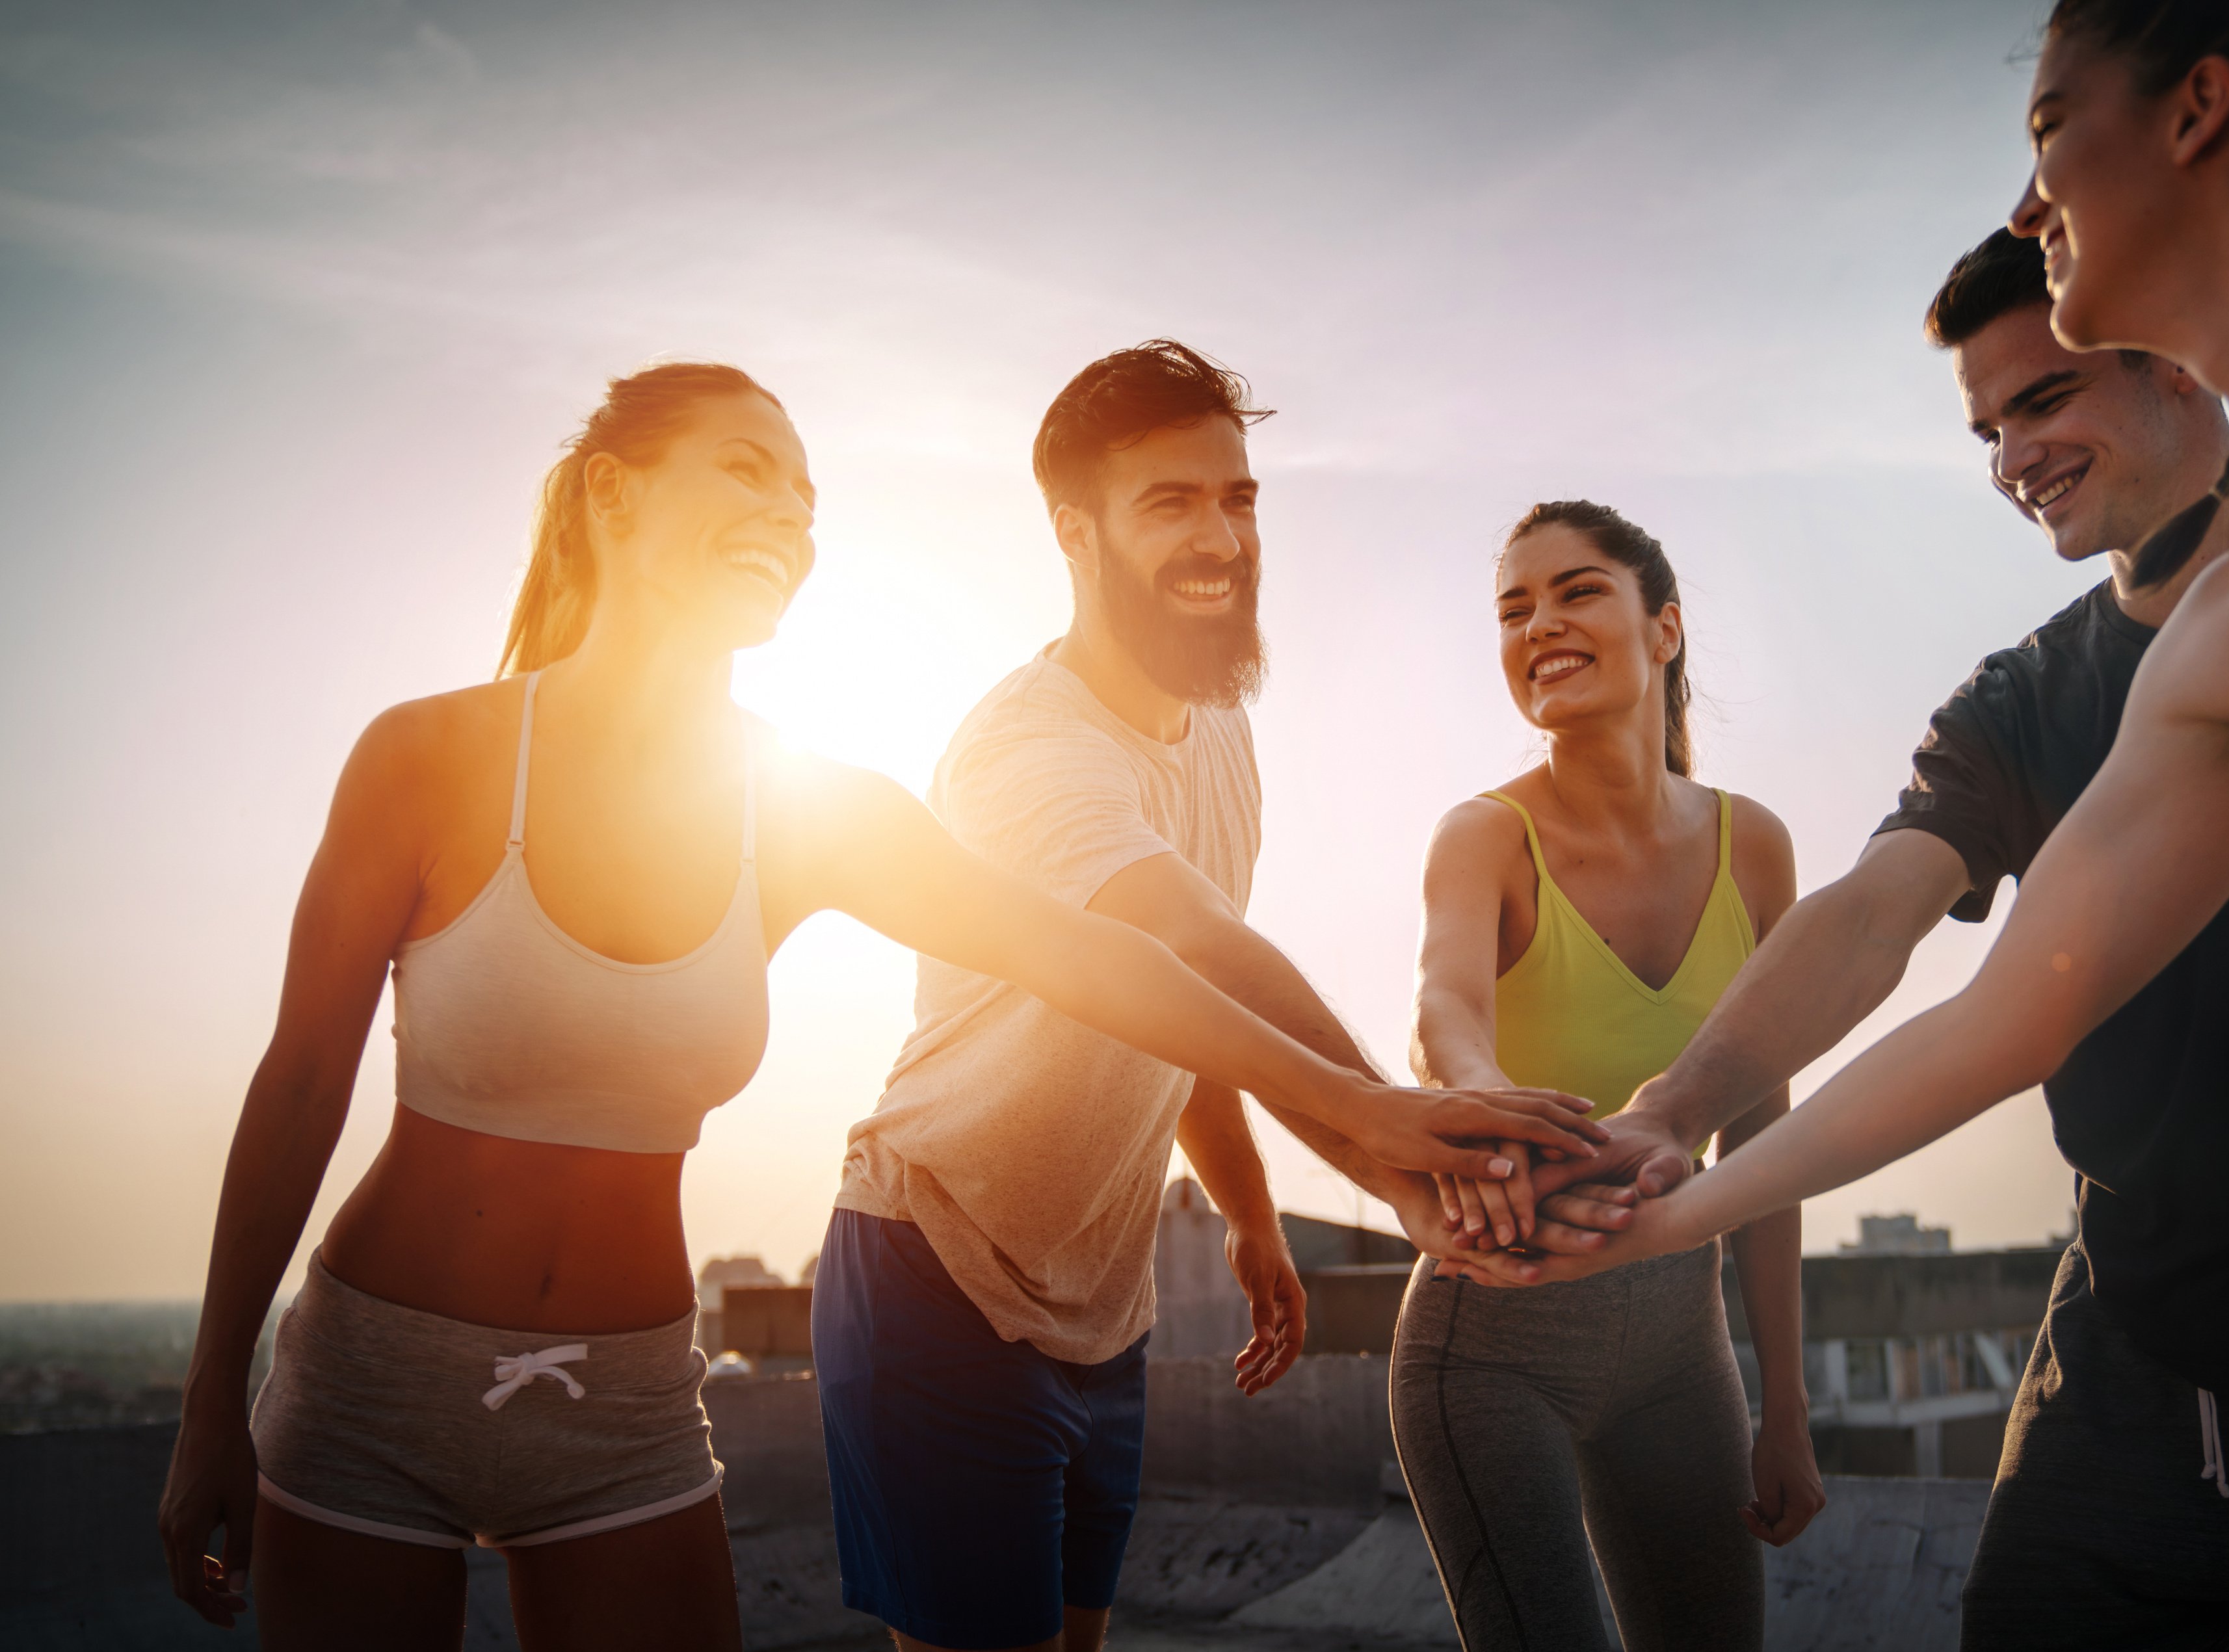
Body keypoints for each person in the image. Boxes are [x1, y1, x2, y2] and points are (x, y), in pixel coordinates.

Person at [153, 361, 1602, 1650]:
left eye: (804, 495)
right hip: (374, 1381)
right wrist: (216, 1388)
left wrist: (1339, 1131)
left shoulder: (810, 810)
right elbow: (299, 1082)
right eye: (745, 470)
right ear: (609, 495)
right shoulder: (428, 757)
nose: (787, 514)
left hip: (634, 1411)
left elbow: (1111, 964)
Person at [1503, 229, 2229, 1647]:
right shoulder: (2016, 700)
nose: (2009, 458)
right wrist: (1674, 1106)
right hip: (2123, 1370)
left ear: (2174, 358)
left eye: (2040, 401)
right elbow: (1870, 912)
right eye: (1985, 429)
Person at [811, 342, 1604, 1652]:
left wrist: (1247, 1212)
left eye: (1236, 498)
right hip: (936, 1271)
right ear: (1074, 532)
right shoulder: (1028, 746)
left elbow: (1173, 1006)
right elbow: (1174, 937)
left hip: (1099, 1310)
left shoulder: (1219, 732)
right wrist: (1383, 1120)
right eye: (1168, 500)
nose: (1223, 534)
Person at [1388, 500, 1819, 1652]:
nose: (1539, 625)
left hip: (1682, 1355)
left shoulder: (1757, 846)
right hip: (1489, 1345)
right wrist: (1480, 1099)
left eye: (1576, 591)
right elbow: (1443, 1007)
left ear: (1663, 628)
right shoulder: (1481, 835)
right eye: (1512, 609)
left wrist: (1785, 1408)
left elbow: (1765, 1146)